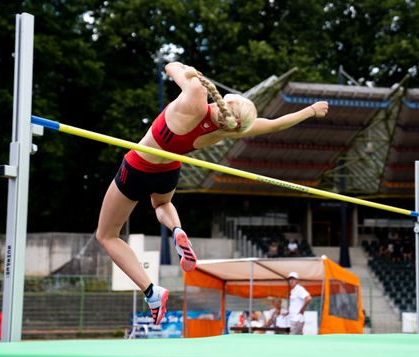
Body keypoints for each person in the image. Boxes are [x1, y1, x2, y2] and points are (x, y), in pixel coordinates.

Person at [96, 61, 329, 324]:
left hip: (139, 165)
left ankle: (151, 290)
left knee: (107, 235)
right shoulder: (228, 130)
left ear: (228, 102)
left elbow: (170, 66)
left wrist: (186, 70)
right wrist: (311, 110)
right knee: (161, 205)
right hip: (169, 170)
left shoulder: (196, 95)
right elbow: (274, 124)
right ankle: (177, 231)